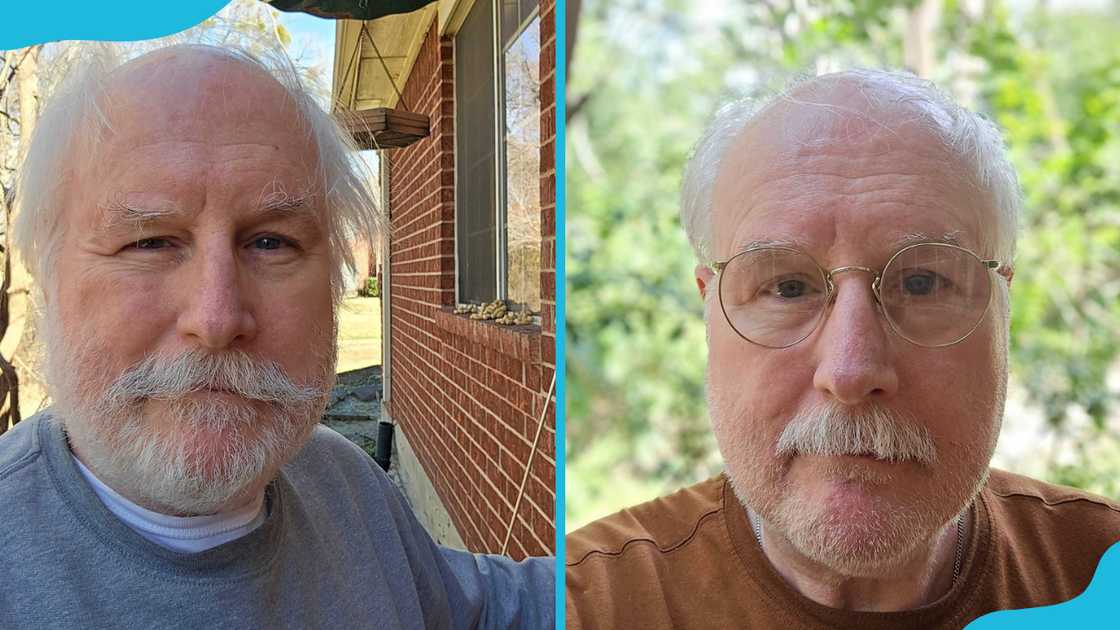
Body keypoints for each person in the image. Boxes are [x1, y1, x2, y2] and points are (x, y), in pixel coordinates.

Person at [0, 43, 552, 629]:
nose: (216, 319)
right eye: (150, 242)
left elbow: (486, 611)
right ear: (46, 275)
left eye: (271, 242)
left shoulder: (340, 482)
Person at [566, 69, 1120, 628]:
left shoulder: (1098, 572)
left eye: (923, 283)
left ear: (1004, 306)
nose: (852, 370)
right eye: (787, 288)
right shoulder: (586, 604)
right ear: (710, 311)